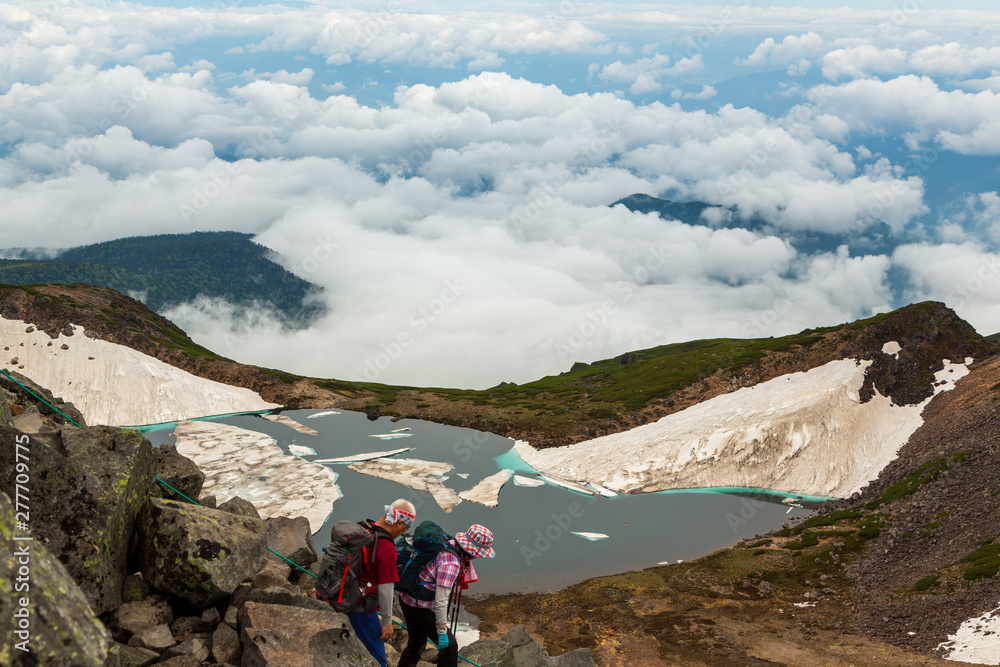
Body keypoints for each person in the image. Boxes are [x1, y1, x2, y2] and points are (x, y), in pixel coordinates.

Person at [397, 524, 495, 667]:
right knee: (449, 647)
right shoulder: (451, 563)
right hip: (420, 607)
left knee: (416, 644)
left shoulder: (448, 543)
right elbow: (441, 600)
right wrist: (442, 631)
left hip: (407, 599)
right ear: (475, 553)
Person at [349, 499, 417, 667]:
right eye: (405, 529)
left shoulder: (363, 527)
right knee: (378, 658)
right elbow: (386, 590)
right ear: (399, 522)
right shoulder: (386, 548)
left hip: (341, 595)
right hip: (362, 608)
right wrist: (387, 623)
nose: (402, 534)